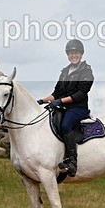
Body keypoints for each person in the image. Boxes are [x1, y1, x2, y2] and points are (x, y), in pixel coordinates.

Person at [37, 39, 94, 177]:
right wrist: (42, 100)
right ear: (67, 55)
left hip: (78, 108)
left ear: (81, 54)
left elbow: (80, 94)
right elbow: (56, 92)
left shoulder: (86, 72)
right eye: (71, 53)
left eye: (76, 53)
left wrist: (60, 101)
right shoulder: (65, 72)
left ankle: (72, 162)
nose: (73, 55)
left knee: (66, 124)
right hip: (63, 107)